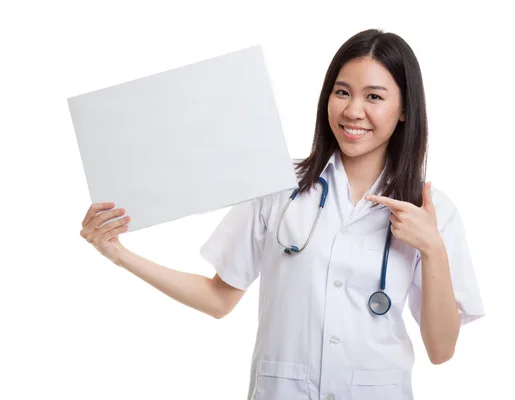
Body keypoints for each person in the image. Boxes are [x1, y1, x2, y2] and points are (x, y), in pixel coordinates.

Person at [80, 29, 485, 400]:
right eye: (342, 92)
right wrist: (119, 254)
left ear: (404, 111)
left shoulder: (432, 210)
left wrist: (432, 248)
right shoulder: (278, 186)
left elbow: (441, 349)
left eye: (374, 97)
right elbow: (218, 298)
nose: (353, 111)